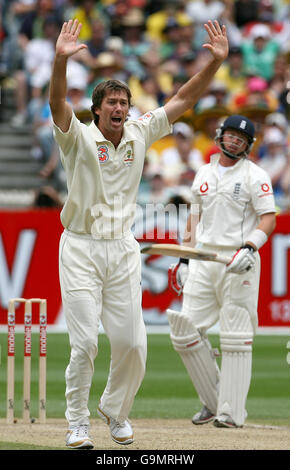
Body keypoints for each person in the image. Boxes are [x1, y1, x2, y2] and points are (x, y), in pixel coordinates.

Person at [49, 18, 229, 449]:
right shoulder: (77, 138)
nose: (119, 108)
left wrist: (214, 63)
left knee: (132, 345)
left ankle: (115, 410)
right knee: (85, 343)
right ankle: (76, 422)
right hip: (80, 247)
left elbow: (184, 98)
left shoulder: (140, 130)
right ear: (97, 108)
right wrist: (60, 60)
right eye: (111, 102)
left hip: (122, 248)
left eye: (124, 102)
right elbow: (57, 102)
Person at [167, 114, 276, 428]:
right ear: (220, 136)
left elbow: (268, 218)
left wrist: (251, 247)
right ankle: (213, 401)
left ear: (248, 145)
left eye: (241, 139)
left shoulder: (256, 175)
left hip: (237, 261)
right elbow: (193, 218)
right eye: (230, 136)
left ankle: (232, 412)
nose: (234, 142)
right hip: (202, 259)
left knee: (235, 336)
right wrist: (185, 260)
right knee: (185, 330)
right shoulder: (204, 171)